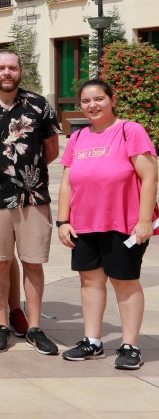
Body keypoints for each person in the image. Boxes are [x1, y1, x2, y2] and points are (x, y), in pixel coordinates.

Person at [58, 79, 157, 369]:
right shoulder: (78, 138)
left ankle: (130, 345)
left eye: (99, 99)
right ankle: (93, 341)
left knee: (125, 282)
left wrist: (144, 221)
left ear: (112, 100)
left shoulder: (130, 130)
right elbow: (66, 183)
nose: (92, 105)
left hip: (122, 224)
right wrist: (63, 221)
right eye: (86, 101)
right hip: (84, 224)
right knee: (90, 281)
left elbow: (150, 177)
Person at [0, 50, 62, 355]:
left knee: (33, 262)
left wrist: (26, 174)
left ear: (20, 71)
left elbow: (51, 149)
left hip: (33, 198)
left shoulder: (38, 104)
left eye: (12, 67)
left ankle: (35, 326)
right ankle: (1, 324)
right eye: (1, 67)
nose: (6, 72)